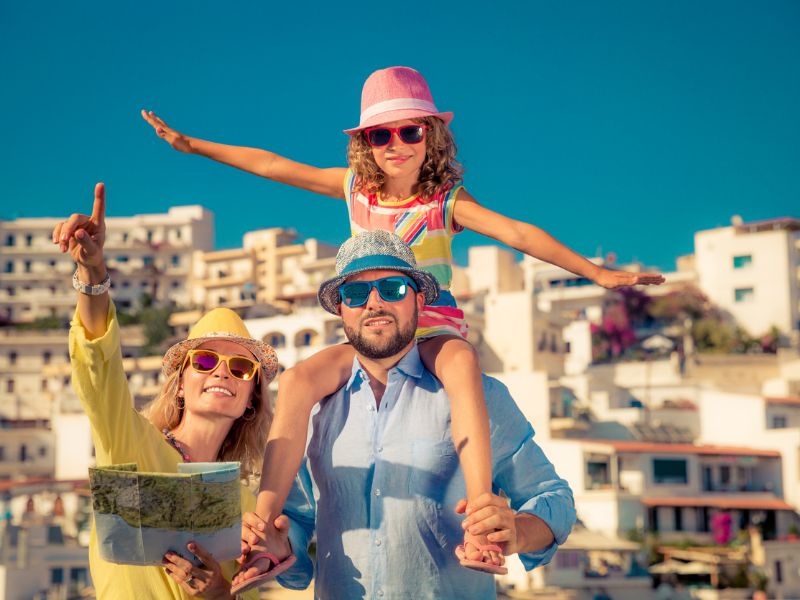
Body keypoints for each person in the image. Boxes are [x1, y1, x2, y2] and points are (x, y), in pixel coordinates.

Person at [142, 65, 661, 580]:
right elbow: (273, 165)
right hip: (371, 332)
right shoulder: (354, 189)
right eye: (381, 134)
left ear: (430, 136)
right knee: (298, 379)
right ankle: (265, 517)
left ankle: (480, 512)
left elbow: (517, 234)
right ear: (365, 143)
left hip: (432, 328)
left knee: (462, 365)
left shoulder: (445, 201)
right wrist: (193, 145)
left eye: (409, 131)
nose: (396, 144)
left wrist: (596, 272)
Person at [235, 231, 576, 598]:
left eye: (393, 289)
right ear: (341, 309)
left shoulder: (480, 396)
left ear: (418, 300)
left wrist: (517, 531)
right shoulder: (312, 410)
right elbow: (298, 520)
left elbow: (554, 498)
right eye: (356, 293)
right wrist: (279, 547)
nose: (374, 303)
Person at [53, 183, 279, 599]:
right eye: (205, 361)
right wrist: (92, 274)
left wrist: (220, 594)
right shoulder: (132, 442)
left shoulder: (246, 504)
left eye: (241, 367)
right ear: (180, 385)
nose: (223, 372)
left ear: (252, 400)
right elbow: (99, 369)